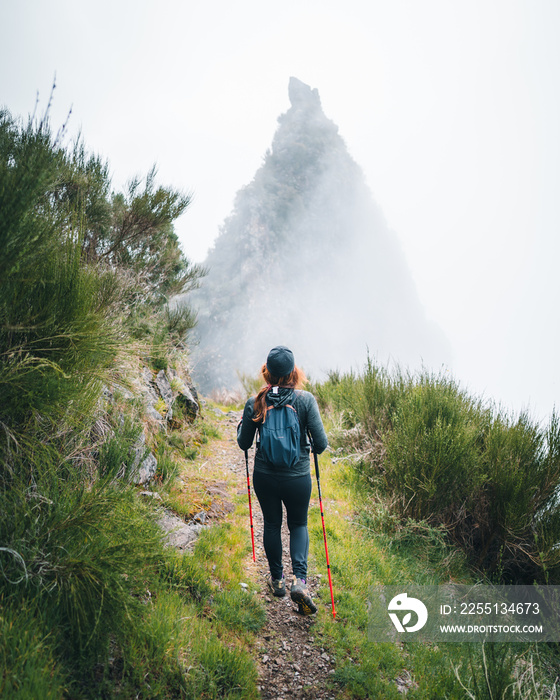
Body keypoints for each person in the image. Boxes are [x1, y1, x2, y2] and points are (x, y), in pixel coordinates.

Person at [237, 345, 328, 615]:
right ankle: (299, 581)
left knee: (273, 524)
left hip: (265, 476)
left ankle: (276, 580)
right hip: (297, 477)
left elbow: (244, 443)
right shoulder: (305, 400)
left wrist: (244, 426)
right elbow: (321, 445)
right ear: (292, 372)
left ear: (266, 372)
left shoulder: (255, 402)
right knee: (298, 524)